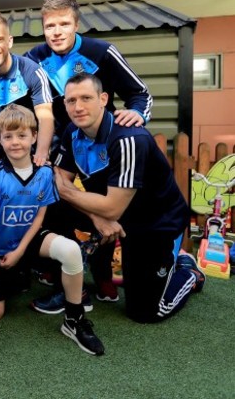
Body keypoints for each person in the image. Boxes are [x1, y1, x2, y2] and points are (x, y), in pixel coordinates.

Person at [26, 0, 154, 302]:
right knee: (56, 209)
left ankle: (104, 275)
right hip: (57, 150)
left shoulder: (103, 52)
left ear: (76, 24)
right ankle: (61, 275)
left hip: (98, 148)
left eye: (63, 24)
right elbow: (11, 79)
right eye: (49, 25)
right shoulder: (32, 58)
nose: (56, 31)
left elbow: (140, 94)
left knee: (104, 210)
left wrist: (136, 113)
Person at [51, 73, 203, 324]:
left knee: (146, 313)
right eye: (71, 101)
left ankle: (188, 271)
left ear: (103, 99)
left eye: (86, 98)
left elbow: (101, 202)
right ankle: (65, 281)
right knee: (49, 206)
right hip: (111, 214)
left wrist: (71, 193)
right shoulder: (71, 131)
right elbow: (59, 179)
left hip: (154, 225)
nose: (77, 107)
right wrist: (95, 216)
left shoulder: (129, 138)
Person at [0, 104, 103, 355]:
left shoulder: (44, 172)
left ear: (34, 137)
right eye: (8, 136)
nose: (15, 142)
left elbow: (40, 216)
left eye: (22, 136)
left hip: (29, 241)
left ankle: (74, 319)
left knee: (71, 250)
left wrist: (21, 251)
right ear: (0, 139)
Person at [0, 13, 54, 165]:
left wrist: (41, 152)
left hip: (29, 146)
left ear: (10, 41)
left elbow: (45, 117)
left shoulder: (31, 71)